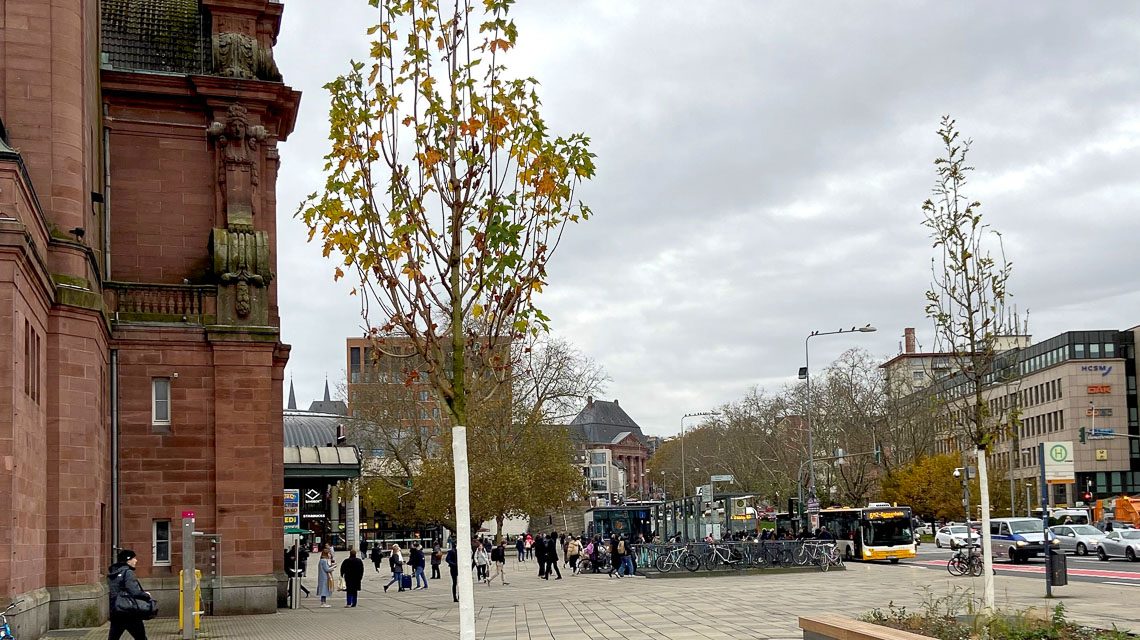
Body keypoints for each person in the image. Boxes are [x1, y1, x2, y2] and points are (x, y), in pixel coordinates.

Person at [107, 549, 152, 640]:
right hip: (129, 611)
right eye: (134, 558)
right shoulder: (128, 572)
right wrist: (146, 595)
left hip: (116, 611)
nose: (136, 560)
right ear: (128, 560)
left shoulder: (113, 573)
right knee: (141, 637)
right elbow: (134, 591)